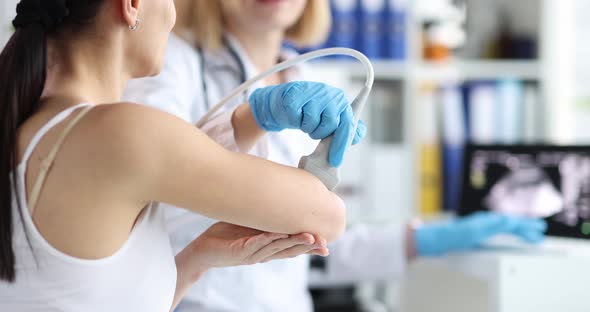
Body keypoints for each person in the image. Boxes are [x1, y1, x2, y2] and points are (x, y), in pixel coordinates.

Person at [123, 0, 548, 311]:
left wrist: (424, 240)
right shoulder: (167, 59)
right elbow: (155, 182)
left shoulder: (315, 78)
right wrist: (253, 118)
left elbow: (316, 245)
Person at [0, 0, 367, 311]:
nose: (174, 15)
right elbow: (325, 216)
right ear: (131, 5)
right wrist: (264, 119)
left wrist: (197, 259)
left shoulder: (33, 123)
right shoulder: (124, 130)